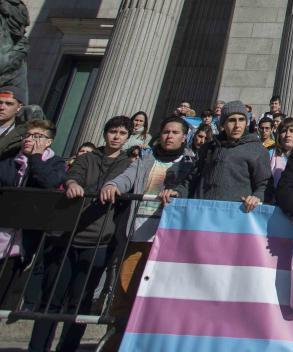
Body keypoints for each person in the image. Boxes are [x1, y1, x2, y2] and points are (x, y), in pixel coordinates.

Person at [30, 116, 134, 352]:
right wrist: (72, 184)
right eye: (113, 132)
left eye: (122, 133)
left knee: (80, 303)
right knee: (51, 300)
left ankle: (68, 348)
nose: (116, 137)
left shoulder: (128, 164)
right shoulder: (87, 158)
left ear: (128, 138)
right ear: (105, 133)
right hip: (67, 237)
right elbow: (73, 174)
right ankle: (38, 347)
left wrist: (100, 189)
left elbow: (118, 186)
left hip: (99, 241)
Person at [98, 116, 196, 351]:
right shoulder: (145, 158)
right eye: (166, 131)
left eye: (175, 132)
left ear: (184, 136)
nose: (169, 136)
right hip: (138, 235)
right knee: (125, 292)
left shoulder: (192, 162)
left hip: (168, 239)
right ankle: (116, 343)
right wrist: (113, 185)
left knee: (160, 298)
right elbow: (127, 177)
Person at [0, 118, 64, 310]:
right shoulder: (9, 162)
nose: (29, 139)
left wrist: (35, 158)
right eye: (27, 135)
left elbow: (49, 182)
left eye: (37, 136)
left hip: (22, 240)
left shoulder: (56, 163)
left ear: (48, 142)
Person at [161, 101, 271, 212]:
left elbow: (264, 185)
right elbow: (192, 179)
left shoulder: (257, 150)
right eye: (232, 120)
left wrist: (257, 197)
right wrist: (178, 192)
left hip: (235, 215)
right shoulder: (208, 147)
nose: (237, 125)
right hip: (200, 213)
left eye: (241, 120)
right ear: (223, 124)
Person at [265, 118, 293, 203]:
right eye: (284, 131)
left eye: (292, 131)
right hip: (271, 202)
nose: (287, 135)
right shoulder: (268, 153)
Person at [0, 85, 26, 166]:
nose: (1, 107)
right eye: (0, 102)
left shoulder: (25, 135)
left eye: (8, 104)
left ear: (19, 107)